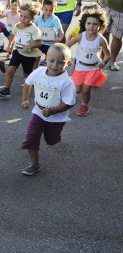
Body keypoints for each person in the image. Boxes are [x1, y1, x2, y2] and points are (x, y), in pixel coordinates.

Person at [20, 43, 75, 176]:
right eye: (51, 61)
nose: (55, 65)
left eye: (61, 62)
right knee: (31, 137)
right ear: (46, 58)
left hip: (56, 118)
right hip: (38, 113)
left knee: (51, 141)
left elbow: (69, 103)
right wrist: (25, 100)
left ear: (68, 63)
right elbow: (28, 83)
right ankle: (34, 164)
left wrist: (53, 111)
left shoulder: (67, 82)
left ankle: (55, 136)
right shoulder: (39, 72)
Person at [66, 7, 110, 116]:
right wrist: (66, 58)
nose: (91, 26)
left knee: (86, 90)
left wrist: (103, 63)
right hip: (80, 67)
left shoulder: (100, 39)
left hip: (93, 69)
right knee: (77, 90)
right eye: (89, 23)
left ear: (100, 26)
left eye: (95, 24)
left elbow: (108, 54)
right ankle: (69, 98)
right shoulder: (81, 36)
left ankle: (84, 106)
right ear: (84, 24)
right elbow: (67, 46)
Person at [0, 2, 42, 98]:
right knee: (10, 70)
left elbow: (39, 43)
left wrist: (30, 46)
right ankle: (6, 89)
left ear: (33, 19)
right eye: (21, 15)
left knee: (27, 75)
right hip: (18, 52)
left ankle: (35, 83)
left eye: (26, 17)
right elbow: (13, 35)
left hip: (29, 55)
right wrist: (10, 45)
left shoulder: (34, 29)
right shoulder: (17, 26)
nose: (22, 19)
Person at [99, 0, 123, 71]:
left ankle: (112, 61)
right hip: (107, 7)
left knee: (117, 37)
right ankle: (103, 59)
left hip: (121, 10)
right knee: (104, 32)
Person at [33, 0, 63, 67]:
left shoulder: (55, 19)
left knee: (49, 61)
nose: (48, 12)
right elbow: (33, 28)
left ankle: (49, 74)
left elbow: (60, 32)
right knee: (36, 58)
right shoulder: (38, 18)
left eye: (51, 10)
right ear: (42, 8)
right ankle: (34, 72)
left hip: (51, 44)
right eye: (46, 10)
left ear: (55, 10)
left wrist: (59, 38)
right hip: (40, 42)